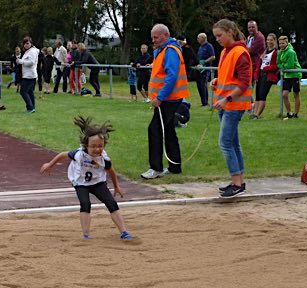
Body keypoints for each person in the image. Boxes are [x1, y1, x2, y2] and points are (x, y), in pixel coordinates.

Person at [40, 115, 133, 241]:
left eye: (100, 146)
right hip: (80, 182)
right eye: (93, 146)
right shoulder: (79, 154)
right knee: (85, 203)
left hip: (98, 182)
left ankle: (124, 232)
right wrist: (50, 164)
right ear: (86, 146)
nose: (97, 149)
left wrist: (116, 186)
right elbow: (63, 154)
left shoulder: (104, 159)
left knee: (111, 203)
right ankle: (86, 234)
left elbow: (111, 171)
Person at [140, 24, 189, 179]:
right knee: (168, 131)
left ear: (166, 36)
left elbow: (172, 76)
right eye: (152, 37)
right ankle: (174, 166)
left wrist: (160, 98)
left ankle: (156, 168)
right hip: (167, 98)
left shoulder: (170, 51)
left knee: (154, 129)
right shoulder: (162, 51)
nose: (153, 40)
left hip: (168, 99)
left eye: (156, 37)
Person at [211, 19, 253, 198]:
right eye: (216, 36)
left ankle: (237, 182)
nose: (218, 39)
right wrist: (217, 82)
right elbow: (229, 77)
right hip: (225, 102)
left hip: (233, 104)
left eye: (220, 35)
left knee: (225, 143)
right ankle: (239, 181)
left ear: (230, 32)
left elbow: (244, 82)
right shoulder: (225, 52)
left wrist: (227, 98)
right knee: (233, 143)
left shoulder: (240, 52)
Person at [251, 33, 279, 120]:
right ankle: (254, 113)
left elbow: (276, 66)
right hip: (260, 75)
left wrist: (267, 68)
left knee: (263, 95)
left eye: (271, 40)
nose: (269, 42)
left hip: (268, 76)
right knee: (258, 96)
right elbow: (259, 64)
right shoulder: (264, 51)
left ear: (275, 41)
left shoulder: (276, 52)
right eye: (268, 40)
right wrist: (256, 76)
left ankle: (258, 114)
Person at [276, 35, 302, 120]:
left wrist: (282, 66)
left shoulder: (291, 52)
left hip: (295, 75)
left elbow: (290, 65)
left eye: (283, 43)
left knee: (296, 94)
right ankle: (289, 112)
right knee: (284, 94)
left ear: (287, 43)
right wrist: (283, 66)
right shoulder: (280, 52)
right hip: (287, 75)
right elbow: (278, 63)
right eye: (280, 43)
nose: (281, 45)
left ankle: (296, 113)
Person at [16, 36, 38, 113]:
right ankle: (32, 108)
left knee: (23, 91)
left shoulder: (32, 51)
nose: (26, 45)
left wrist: (21, 61)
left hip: (29, 75)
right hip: (28, 74)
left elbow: (32, 62)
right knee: (30, 92)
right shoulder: (28, 51)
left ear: (31, 43)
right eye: (25, 43)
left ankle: (30, 107)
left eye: (28, 43)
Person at [196, 33, 216, 107]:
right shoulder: (200, 47)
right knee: (199, 85)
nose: (197, 39)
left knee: (203, 84)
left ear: (203, 38)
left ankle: (205, 102)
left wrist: (204, 61)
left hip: (206, 68)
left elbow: (213, 57)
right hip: (199, 68)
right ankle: (203, 102)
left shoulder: (209, 46)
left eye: (198, 38)